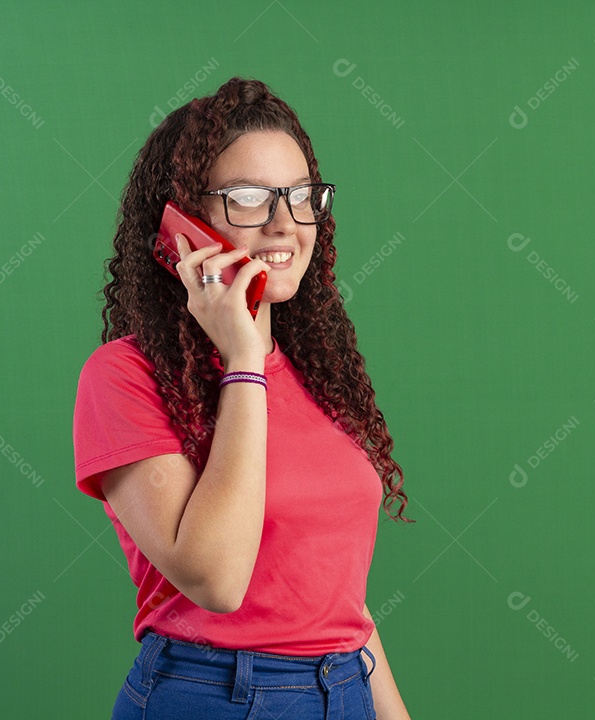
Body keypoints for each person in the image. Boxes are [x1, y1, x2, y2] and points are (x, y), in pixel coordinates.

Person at [73, 77, 412, 719]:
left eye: (302, 196)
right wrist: (243, 362)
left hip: (344, 689)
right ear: (180, 223)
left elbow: (342, 606)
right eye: (249, 199)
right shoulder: (122, 377)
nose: (287, 223)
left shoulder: (319, 373)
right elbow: (217, 580)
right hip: (214, 694)